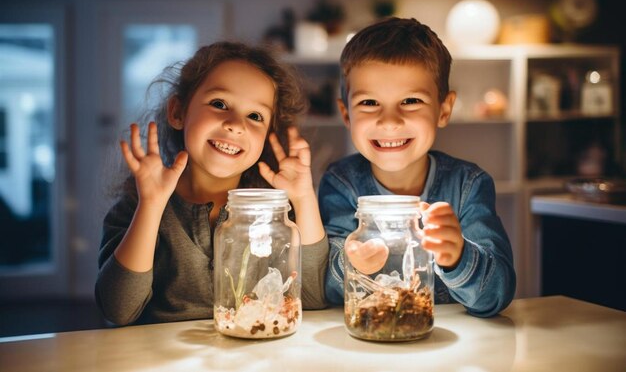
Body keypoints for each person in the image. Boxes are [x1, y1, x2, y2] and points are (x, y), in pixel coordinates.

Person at [96, 41, 328, 326]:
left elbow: (314, 299)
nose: (235, 124)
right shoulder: (138, 204)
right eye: (219, 104)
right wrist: (152, 206)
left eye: (255, 116)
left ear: (269, 133)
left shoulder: (277, 211)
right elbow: (117, 310)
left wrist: (304, 198)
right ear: (178, 113)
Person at [319, 17, 516, 317]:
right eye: (370, 103)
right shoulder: (341, 183)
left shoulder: (467, 186)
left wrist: (458, 257)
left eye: (410, 101)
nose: (390, 121)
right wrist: (352, 261)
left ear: (444, 109)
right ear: (346, 115)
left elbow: (497, 295)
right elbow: (326, 289)